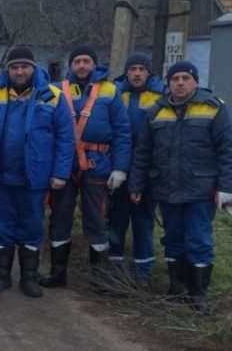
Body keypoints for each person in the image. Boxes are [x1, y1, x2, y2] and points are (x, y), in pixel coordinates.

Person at [129, 61, 232, 316]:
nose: (180, 83)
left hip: (201, 189)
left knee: (198, 239)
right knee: (173, 238)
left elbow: (227, 150)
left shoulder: (214, 108)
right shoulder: (157, 111)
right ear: (169, 83)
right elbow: (143, 152)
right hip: (167, 188)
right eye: (175, 79)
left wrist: (227, 187)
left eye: (186, 78)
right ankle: (177, 288)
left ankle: (198, 294)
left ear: (195, 81)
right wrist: (137, 184)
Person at [0, 47, 73, 297]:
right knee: (0, 225)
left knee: (31, 226)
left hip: (35, 177)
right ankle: (1, 275)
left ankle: (29, 277)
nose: (19, 71)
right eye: (14, 67)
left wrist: (60, 173)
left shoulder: (52, 95)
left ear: (34, 68)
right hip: (0, 176)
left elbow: (65, 138)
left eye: (24, 67)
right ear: (7, 70)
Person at [40, 45, 131, 292]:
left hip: (97, 164)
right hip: (64, 165)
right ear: (70, 65)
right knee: (59, 218)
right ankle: (58, 273)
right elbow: (45, 127)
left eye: (86, 61)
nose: (82, 65)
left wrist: (120, 168)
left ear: (94, 64)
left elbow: (122, 132)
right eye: (77, 61)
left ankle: (100, 279)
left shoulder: (110, 91)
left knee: (97, 220)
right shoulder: (56, 89)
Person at [108, 53, 165, 288]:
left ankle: (142, 274)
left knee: (143, 222)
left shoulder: (162, 95)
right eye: (133, 69)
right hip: (117, 168)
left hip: (147, 171)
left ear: (149, 73)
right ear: (126, 72)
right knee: (115, 220)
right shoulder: (115, 93)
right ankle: (113, 271)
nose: (137, 73)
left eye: (142, 69)